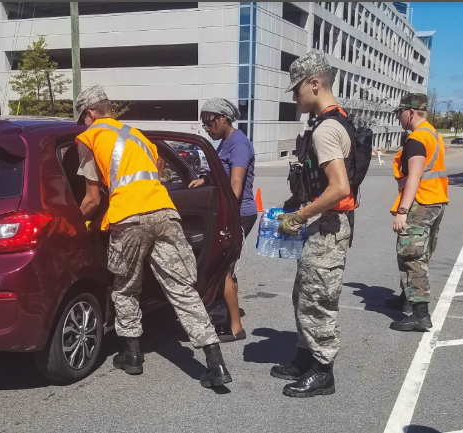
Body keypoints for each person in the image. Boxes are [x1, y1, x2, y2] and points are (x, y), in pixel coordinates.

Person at [74, 85, 232, 388]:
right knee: (181, 288)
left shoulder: (90, 138)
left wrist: (72, 225)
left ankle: (131, 356)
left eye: (82, 118)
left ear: (90, 114)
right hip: (164, 212)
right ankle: (216, 364)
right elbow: (156, 173)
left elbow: (92, 200)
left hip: (129, 218)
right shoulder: (138, 136)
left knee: (125, 287)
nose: (82, 124)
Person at [269, 51, 356, 398]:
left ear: (314, 84)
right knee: (305, 295)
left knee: (318, 299)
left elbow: (339, 188)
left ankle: (322, 373)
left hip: (328, 227)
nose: (294, 97)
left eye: (297, 89)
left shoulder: (326, 130)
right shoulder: (335, 122)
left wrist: (300, 216)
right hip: (324, 225)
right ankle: (305, 358)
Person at [188, 98, 258, 343]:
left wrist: (226, 216)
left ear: (223, 118)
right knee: (225, 267)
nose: (207, 128)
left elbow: (235, 185)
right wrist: (205, 181)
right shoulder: (225, 143)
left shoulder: (238, 144)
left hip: (238, 212)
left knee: (220, 268)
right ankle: (230, 320)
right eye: (205, 124)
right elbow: (221, 174)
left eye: (209, 122)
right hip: (232, 211)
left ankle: (236, 327)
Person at [386, 93, 448, 332]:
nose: (399, 118)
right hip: (435, 200)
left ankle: (420, 314)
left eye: (400, 113)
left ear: (410, 112)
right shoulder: (432, 132)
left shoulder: (417, 139)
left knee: (411, 255)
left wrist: (403, 210)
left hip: (421, 202)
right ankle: (406, 298)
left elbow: (415, 175)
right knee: (418, 253)